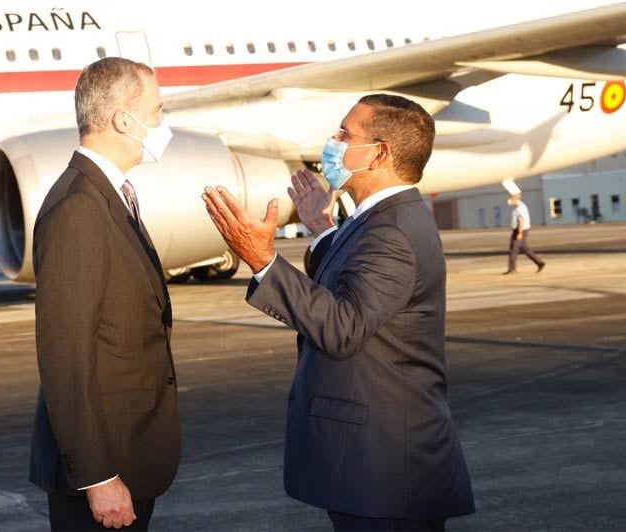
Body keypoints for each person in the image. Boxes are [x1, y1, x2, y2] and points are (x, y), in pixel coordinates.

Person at [202, 94, 474, 531]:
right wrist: (324, 230)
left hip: (383, 471)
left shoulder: (392, 231)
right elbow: (358, 284)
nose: (332, 142)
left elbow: (343, 328)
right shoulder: (379, 221)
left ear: (380, 153)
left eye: (345, 134)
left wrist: (263, 261)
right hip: (374, 469)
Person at [29, 57, 180, 531]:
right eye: (157, 112)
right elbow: (65, 358)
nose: (162, 123)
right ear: (123, 120)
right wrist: (98, 478)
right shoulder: (80, 208)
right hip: (104, 469)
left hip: (130, 453)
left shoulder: (108, 195)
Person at [504, 193, 545, 274]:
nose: (511, 200)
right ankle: (539, 263)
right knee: (525, 249)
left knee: (513, 249)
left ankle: (512, 269)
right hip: (521, 229)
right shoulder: (520, 206)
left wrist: (519, 232)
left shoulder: (519, 208)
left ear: (516, 198)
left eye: (512, 198)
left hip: (520, 230)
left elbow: (521, 220)